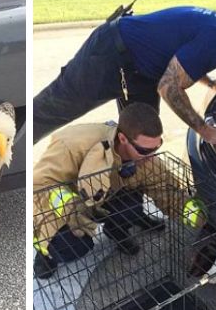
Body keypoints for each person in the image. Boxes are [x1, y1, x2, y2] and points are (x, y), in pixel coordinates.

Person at [32, 5, 216, 147]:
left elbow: (181, 59)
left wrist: (210, 82)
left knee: (142, 137)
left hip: (140, 72)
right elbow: (169, 86)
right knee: (50, 111)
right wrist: (205, 130)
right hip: (108, 55)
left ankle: (127, 213)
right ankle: (6, 159)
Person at [32, 102, 194, 279]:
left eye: (157, 147)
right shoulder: (71, 144)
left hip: (101, 198)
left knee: (131, 204)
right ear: (123, 139)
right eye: (144, 150)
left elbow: (165, 191)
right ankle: (45, 254)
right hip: (69, 206)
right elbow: (38, 184)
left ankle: (116, 229)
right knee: (73, 248)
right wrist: (69, 204)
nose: (151, 156)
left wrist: (193, 212)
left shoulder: (145, 157)